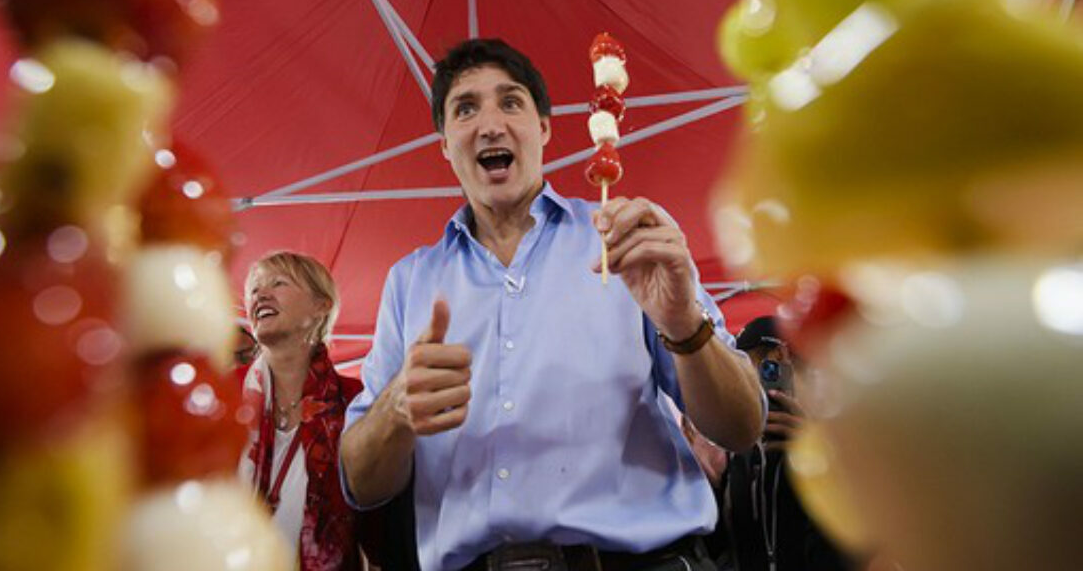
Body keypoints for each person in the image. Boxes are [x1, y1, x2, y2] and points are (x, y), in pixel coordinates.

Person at [339, 38, 765, 571]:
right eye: (465, 108)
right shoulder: (409, 281)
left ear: (543, 128)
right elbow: (361, 484)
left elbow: (743, 426)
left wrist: (684, 324)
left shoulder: (625, 241)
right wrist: (395, 409)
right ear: (445, 144)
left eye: (510, 102)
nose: (490, 124)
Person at [239, 250, 376, 570]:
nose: (261, 294)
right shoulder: (222, 395)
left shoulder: (356, 401)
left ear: (321, 305)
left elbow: (376, 517)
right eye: (254, 289)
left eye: (278, 283)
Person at [714, 316, 853, 571]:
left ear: (780, 358)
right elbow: (725, 545)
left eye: (748, 367)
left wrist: (820, 452)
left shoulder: (844, 433)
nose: (744, 384)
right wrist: (712, 485)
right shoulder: (738, 446)